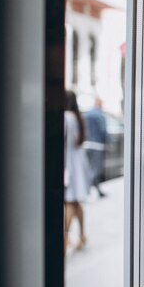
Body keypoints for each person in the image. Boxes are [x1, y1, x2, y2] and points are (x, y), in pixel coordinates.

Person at [64, 90, 91, 251]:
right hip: (79, 165)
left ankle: (66, 238)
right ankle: (82, 235)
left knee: (70, 202)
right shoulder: (77, 117)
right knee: (76, 202)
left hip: (69, 167)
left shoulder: (66, 118)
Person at [83, 96, 108, 197]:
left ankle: (98, 191)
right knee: (95, 169)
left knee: (90, 168)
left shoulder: (87, 114)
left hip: (87, 144)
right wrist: (106, 143)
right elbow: (103, 130)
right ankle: (86, 191)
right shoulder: (100, 115)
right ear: (100, 104)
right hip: (97, 145)